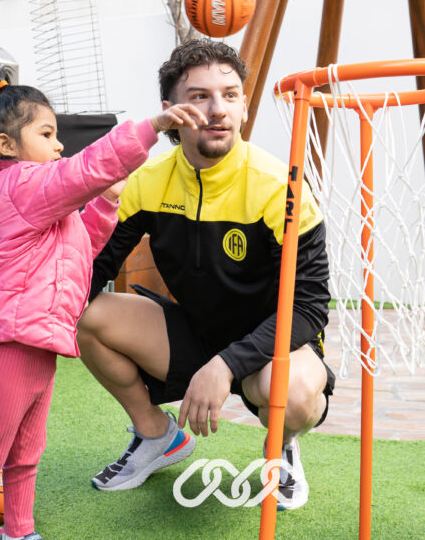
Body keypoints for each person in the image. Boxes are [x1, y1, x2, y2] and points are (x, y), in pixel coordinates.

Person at [0, 65, 206, 540]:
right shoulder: (18, 185)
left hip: (34, 342)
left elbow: (83, 246)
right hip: (6, 344)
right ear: (7, 146)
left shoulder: (38, 201)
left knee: (26, 453)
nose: (58, 144)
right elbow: (82, 171)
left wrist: (106, 203)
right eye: (47, 133)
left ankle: (19, 531)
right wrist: (150, 128)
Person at [77, 39, 334, 510]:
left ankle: (281, 446)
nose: (218, 110)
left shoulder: (280, 186)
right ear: (170, 110)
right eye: (199, 96)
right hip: (194, 333)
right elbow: (93, 272)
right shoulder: (147, 181)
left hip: (271, 348)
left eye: (231, 94)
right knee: (83, 312)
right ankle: (157, 437)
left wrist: (226, 364)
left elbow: (311, 306)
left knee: (292, 393)